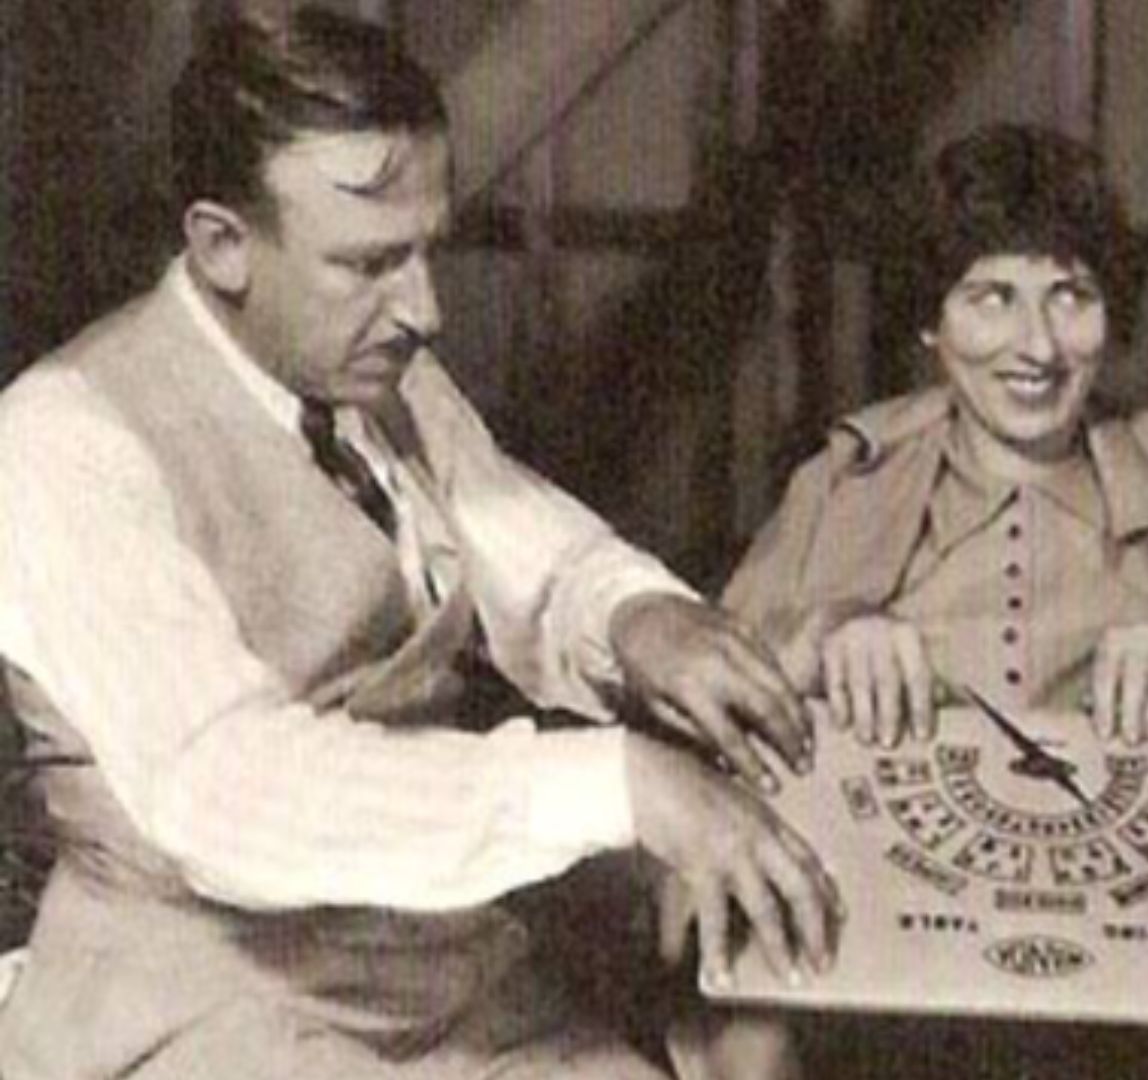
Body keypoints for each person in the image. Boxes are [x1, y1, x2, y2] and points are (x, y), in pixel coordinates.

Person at [0, 9, 839, 1078]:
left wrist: (637, 616)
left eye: (428, 251)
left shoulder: (365, 371)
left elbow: (517, 537)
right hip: (205, 997)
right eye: (369, 262)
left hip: (432, 971)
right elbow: (228, 792)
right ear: (221, 245)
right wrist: (622, 783)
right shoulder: (61, 439)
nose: (425, 308)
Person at [721, 122, 1148, 1080]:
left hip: (1137, 1024)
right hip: (883, 1009)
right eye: (992, 298)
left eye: (1071, 297)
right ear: (931, 320)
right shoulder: (841, 483)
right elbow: (711, 706)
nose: (1038, 346)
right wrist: (829, 640)